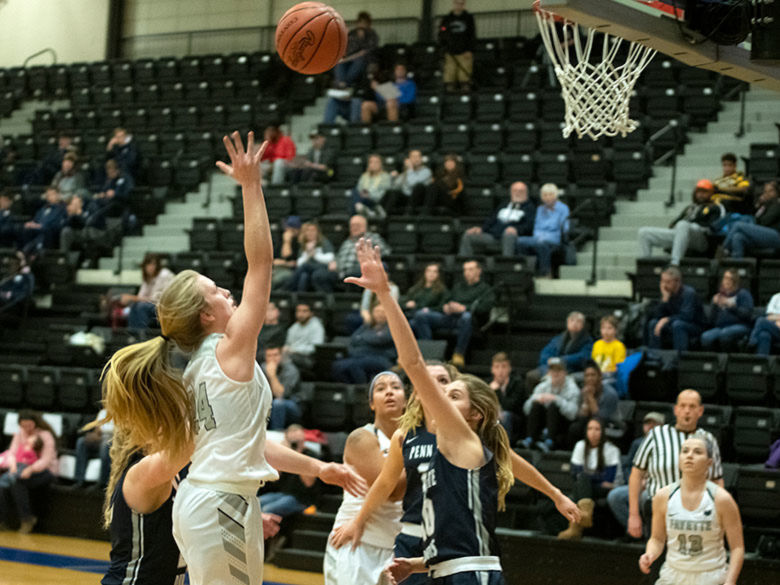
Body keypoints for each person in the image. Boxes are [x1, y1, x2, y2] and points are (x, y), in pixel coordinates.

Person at [99, 132, 364, 585]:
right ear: (207, 314)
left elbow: (246, 443)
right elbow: (260, 265)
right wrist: (250, 186)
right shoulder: (230, 349)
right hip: (221, 502)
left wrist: (319, 467)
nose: (227, 291)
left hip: (212, 500)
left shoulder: (201, 365)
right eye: (217, 291)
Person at [343, 239, 514, 585]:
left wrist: (385, 295)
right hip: (445, 568)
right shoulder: (434, 446)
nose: (440, 397)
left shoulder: (466, 442)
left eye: (453, 394)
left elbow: (413, 362)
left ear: (474, 415)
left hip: (471, 575)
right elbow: (455, 536)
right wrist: (418, 565)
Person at [331, 359, 581, 583]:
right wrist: (358, 521)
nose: (436, 386)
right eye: (429, 380)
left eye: (443, 381)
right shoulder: (405, 436)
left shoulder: (467, 435)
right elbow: (385, 484)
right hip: (412, 538)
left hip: (455, 545)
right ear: (417, 390)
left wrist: (555, 493)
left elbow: (511, 460)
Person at [323, 371, 406, 585]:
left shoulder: (416, 439)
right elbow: (393, 491)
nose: (389, 391)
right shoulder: (361, 438)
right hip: (357, 543)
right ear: (371, 404)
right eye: (381, 388)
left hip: (396, 545)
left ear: (406, 399)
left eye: (396, 387)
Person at [608, 389, 724, 540]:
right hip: (658, 510)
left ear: (700, 411)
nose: (687, 411)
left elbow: (717, 480)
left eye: (692, 406)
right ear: (675, 410)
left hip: (695, 514)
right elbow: (636, 474)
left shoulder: (708, 439)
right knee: (658, 557)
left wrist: (719, 515)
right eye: (682, 406)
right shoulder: (656, 436)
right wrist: (634, 515)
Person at [639, 437, 744, 585]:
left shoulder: (722, 499)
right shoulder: (663, 496)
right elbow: (657, 538)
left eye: (697, 452)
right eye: (685, 451)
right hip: (673, 575)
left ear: (709, 462)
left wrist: (730, 581)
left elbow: (737, 547)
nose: (689, 455)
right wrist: (650, 554)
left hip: (710, 576)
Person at [410, 259, 495, 368]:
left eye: (470, 269)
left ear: (479, 271)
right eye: (465, 270)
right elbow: (446, 300)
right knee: (421, 315)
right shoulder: (458, 287)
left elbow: (485, 307)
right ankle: (427, 352)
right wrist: (446, 306)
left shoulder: (485, 289)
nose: (467, 272)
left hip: (469, 320)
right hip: (450, 317)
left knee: (466, 317)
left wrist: (464, 308)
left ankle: (459, 353)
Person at [558, 417, 623, 540]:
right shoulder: (580, 445)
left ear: (603, 431)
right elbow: (575, 472)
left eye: (597, 429)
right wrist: (594, 478)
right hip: (591, 487)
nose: (593, 432)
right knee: (582, 480)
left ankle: (575, 528)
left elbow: (609, 478)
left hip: (609, 488)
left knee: (581, 483)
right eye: (590, 429)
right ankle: (585, 514)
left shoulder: (612, 450)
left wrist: (588, 478)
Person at [638, 180, 724, 266]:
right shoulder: (690, 208)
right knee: (644, 232)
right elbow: (674, 224)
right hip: (682, 234)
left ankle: (675, 263)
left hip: (702, 239)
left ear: (711, 193)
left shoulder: (715, 207)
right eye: (699, 191)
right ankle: (645, 265)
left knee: (683, 224)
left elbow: (712, 227)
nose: (701, 194)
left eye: (704, 192)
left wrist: (690, 224)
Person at [0, 410, 58, 533]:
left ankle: (27, 519)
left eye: (29, 425)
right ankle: (2, 521)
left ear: (35, 423)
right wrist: (13, 466)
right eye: (23, 426)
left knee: (17, 482)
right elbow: (12, 452)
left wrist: (30, 469)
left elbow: (46, 460)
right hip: (21, 468)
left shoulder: (45, 435)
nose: (26, 428)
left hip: (45, 471)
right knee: (3, 484)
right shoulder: (19, 433)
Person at [311, 215, 391, 293]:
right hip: (340, 273)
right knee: (318, 275)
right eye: (352, 225)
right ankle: (328, 303)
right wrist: (334, 262)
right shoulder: (347, 241)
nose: (354, 227)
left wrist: (371, 256)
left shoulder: (372, 238)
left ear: (365, 227)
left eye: (357, 225)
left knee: (382, 266)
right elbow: (338, 257)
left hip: (360, 270)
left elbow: (386, 252)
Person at [459, 181, 535, 258]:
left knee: (509, 235)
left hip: (512, 236)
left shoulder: (530, 208)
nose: (517, 193)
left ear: (526, 193)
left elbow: (529, 225)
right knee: (468, 235)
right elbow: (491, 219)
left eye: (521, 191)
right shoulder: (503, 204)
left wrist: (517, 229)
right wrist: (481, 229)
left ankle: (506, 263)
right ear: (510, 192)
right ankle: (465, 262)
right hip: (493, 236)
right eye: (515, 191)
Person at [259, 424, 319, 521]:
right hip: (282, 493)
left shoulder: (311, 455)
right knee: (256, 504)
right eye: (292, 442)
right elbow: (274, 478)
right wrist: (282, 454)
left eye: (298, 441)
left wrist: (297, 455)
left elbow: (309, 483)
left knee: (267, 509)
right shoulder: (284, 455)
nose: (295, 445)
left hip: (302, 499)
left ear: (304, 440)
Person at [520, 358, 581, 452]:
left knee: (553, 406)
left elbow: (573, 414)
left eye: (558, 370)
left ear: (565, 372)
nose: (555, 374)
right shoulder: (543, 386)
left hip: (562, 423)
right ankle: (529, 439)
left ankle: (549, 441)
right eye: (553, 370)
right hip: (543, 421)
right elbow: (526, 409)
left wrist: (557, 399)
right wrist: (537, 399)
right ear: (549, 372)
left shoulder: (572, 388)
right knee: (536, 405)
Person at [525, 311, 593, 392]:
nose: (575, 323)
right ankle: (534, 401)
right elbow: (545, 352)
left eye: (578, 321)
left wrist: (561, 360)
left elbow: (583, 356)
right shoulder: (559, 338)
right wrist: (549, 362)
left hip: (570, 369)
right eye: (572, 320)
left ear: (583, 325)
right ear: (567, 322)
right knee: (531, 376)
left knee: (558, 378)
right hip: (550, 367)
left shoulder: (587, 340)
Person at [514, 183, 570, 278]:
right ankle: (526, 271)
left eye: (550, 194)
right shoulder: (540, 209)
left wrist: (545, 234)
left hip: (554, 238)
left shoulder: (563, 208)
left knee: (541, 243)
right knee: (519, 241)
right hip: (538, 237)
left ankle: (546, 272)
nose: (547, 197)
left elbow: (565, 228)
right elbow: (537, 227)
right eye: (545, 195)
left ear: (555, 195)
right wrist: (539, 236)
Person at [332, 303, 397, 384]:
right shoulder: (367, 326)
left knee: (355, 365)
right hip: (359, 356)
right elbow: (354, 338)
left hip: (381, 357)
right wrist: (366, 337)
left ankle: (362, 390)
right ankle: (349, 389)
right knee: (338, 365)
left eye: (382, 312)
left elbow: (379, 340)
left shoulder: (392, 327)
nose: (379, 314)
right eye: (377, 311)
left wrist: (362, 337)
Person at [646, 265, 706, 351]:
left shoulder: (689, 293)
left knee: (678, 325)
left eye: (668, 282)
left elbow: (687, 316)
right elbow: (657, 315)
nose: (664, 285)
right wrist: (664, 300)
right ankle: (654, 355)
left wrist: (667, 319)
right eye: (662, 281)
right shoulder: (666, 291)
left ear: (677, 281)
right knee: (653, 323)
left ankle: (679, 358)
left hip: (695, 325)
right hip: (674, 322)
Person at [113, 252, 175, 331]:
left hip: (168, 307)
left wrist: (131, 297)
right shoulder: (148, 277)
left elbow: (154, 299)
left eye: (154, 264)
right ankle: (132, 335)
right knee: (135, 305)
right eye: (148, 264)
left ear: (158, 266)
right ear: (144, 266)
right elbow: (141, 296)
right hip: (156, 306)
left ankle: (143, 336)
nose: (151, 267)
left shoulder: (164, 275)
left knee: (142, 306)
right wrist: (132, 299)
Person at [566, 361, 620, 448]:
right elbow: (579, 417)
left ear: (600, 377)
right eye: (587, 375)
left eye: (593, 375)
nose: (590, 378)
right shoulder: (583, 391)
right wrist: (585, 402)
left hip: (611, 426)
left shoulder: (610, 394)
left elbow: (601, 419)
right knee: (574, 428)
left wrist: (590, 398)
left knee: (591, 429)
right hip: (591, 424)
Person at [723, 180, 780, 258]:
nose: (767, 194)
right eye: (765, 191)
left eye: (771, 191)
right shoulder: (765, 205)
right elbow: (756, 217)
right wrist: (759, 205)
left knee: (738, 225)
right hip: (763, 235)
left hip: (776, 236)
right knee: (738, 237)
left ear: (777, 192)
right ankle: (736, 265)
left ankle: (724, 249)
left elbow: (764, 221)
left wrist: (751, 226)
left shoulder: (777, 205)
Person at [700, 269, 754, 351]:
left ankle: (729, 360)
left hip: (740, 325)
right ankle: (714, 361)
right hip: (720, 327)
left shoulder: (743, 294)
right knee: (706, 337)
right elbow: (711, 320)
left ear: (735, 281)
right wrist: (714, 305)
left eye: (729, 279)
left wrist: (731, 306)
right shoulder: (719, 296)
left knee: (725, 333)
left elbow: (747, 315)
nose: (726, 281)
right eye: (725, 278)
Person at [59, 193, 109, 268]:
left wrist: (79, 214)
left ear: (80, 200)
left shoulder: (91, 206)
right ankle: (63, 256)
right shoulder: (72, 209)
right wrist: (71, 216)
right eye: (73, 200)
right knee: (66, 231)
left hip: (97, 233)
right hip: (82, 233)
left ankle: (88, 259)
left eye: (75, 199)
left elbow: (89, 223)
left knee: (87, 230)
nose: (74, 201)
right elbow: (64, 224)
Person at [333, 11, 379, 89]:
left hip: (364, 58)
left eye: (364, 23)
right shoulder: (352, 33)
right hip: (348, 57)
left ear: (368, 24)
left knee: (359, 61)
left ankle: (346, 84)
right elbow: (345, 46)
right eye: (360, 22)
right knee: (339, 62)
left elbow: (365, 51)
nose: (362, 25)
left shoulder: (372, 34)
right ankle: (341, 83)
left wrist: (362, 38)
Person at [261, 344, 303, 431]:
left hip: (291, 404)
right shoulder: (262, 368)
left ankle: (277, 433)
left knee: (278, 403)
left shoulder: (291, 370)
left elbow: (281, 394)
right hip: (269, 403)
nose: (272, 358)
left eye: (275, 355)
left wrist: (272, 376)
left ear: (281, 356)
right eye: (269, 355)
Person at [16, 185, 67, 255]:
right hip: (37, 232)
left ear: (58, 195)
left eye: (52, 194)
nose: (49, 197)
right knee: (23, 228)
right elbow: (35, 220)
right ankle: (20, 252)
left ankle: (26, 253)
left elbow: (58, 225)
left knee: (42, 235)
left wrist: (40, 226)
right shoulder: (42, 209)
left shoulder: (62, 209)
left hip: (49, 234)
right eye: (48, 195)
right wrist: (31, 224)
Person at [439, 0, 477, 93]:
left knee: (465, 72)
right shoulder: (446, 19)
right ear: (453, 4)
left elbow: (472, 34)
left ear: (464, 5)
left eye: (461, 3)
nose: (459, 5)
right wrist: (444, 46)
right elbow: (442, 31)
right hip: (450, 51)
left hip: (465, 51)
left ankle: (465, 88)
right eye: (457, 3)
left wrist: (470, 49)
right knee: (450, 71)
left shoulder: (469, 18)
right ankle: (449, 89)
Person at [287, 222, 335, 292]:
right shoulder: (303, 245)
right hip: (309, 271)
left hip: (323, 267)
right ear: (305, 233)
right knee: (304, 276)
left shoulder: (323, 242)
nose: (310, 233)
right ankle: (300, 298)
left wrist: (314, 254)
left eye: (313, 230)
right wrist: (308, 254)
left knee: (305, 266)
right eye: (308, 230)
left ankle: (287, 289)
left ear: (317, 232)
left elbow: (330, 258)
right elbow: (299, 264)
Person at [73, 408, 113, 488]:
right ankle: (79, 480)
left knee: (105, 446)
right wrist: (94, 434)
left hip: (114, 438)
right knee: (81, 442)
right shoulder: (103, 412)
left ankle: (102, 483)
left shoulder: (124, 411)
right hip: (100, 436)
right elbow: (98, 427)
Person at [384, 149, 432, 216]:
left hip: (418, 199)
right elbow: (394, 187)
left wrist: (410, 169)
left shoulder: (426, 171)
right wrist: (392, 178)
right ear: (409, 159)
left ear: (421, 159)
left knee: (418, 186)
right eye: (413, 157)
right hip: (406, 198)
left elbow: (412, 183)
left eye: (418, 157)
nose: (416, 159)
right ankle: (384, 216)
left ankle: (408, 214)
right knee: (392, 193)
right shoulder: (406, 172)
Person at [490, 352, 524, 444]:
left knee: (505, 415)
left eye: (504, 366)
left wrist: (497, 391)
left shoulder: (518, 383)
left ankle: (506, 446)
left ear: (509, 368)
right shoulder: (488, 384)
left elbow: (510, 406)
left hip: (515, 421)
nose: (500, 371)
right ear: (492, 369)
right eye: (497, 367)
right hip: (496, 416)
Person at [284, 302, 326, 371]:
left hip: (308, 358)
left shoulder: (317, 326)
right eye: (298, 311)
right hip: (292, 354)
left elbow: (316, 348)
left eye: (304, 311)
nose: (301, 314)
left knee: (286, 358)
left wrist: (294, 350)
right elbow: (288, 343)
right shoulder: (294, 326)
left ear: (311, 313)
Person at [351, 154, 391, 220]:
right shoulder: (364, 176)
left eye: (376, 162)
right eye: (371, 162)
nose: (373, 164)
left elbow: (384, 193)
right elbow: (359, 189)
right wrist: (363, 194)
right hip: (362, 199)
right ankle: (361, 208)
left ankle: (357, 213)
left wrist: (369, 195)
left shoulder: (385, 176)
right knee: (354, 191)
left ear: (381, 164)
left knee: (356, 201)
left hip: (375, 201)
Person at [271, 215, 301, 290]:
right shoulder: (280, 241)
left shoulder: (299, 242)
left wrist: (287, 241)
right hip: (276, 269)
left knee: (276, 279)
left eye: (290, 229)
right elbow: (273, 261)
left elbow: (287, 256)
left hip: (291, 272)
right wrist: (286, 263)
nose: (286, 230)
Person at [748, 291, 780, 355]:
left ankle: (752, 342)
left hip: (775, 326)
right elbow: (769, 317)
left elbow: (771, 317)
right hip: (773, 327)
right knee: (764, 335)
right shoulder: (776, 297)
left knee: (761, 321)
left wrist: (776, 317)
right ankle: (761, 362)